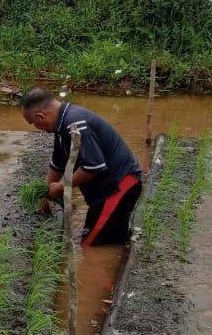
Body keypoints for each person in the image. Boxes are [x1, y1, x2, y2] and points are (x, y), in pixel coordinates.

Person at [20, 88, 142, 245]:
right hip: (105, 190)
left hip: (118, 186)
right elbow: (58, 164)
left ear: (40, 116)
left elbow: (93, 166)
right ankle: (120, 245)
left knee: (92, 246)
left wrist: (60, 187)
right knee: (107, 238)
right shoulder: (62, 123)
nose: (35, 126)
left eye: (32, 123)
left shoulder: (75, 124)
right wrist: (45, 192)